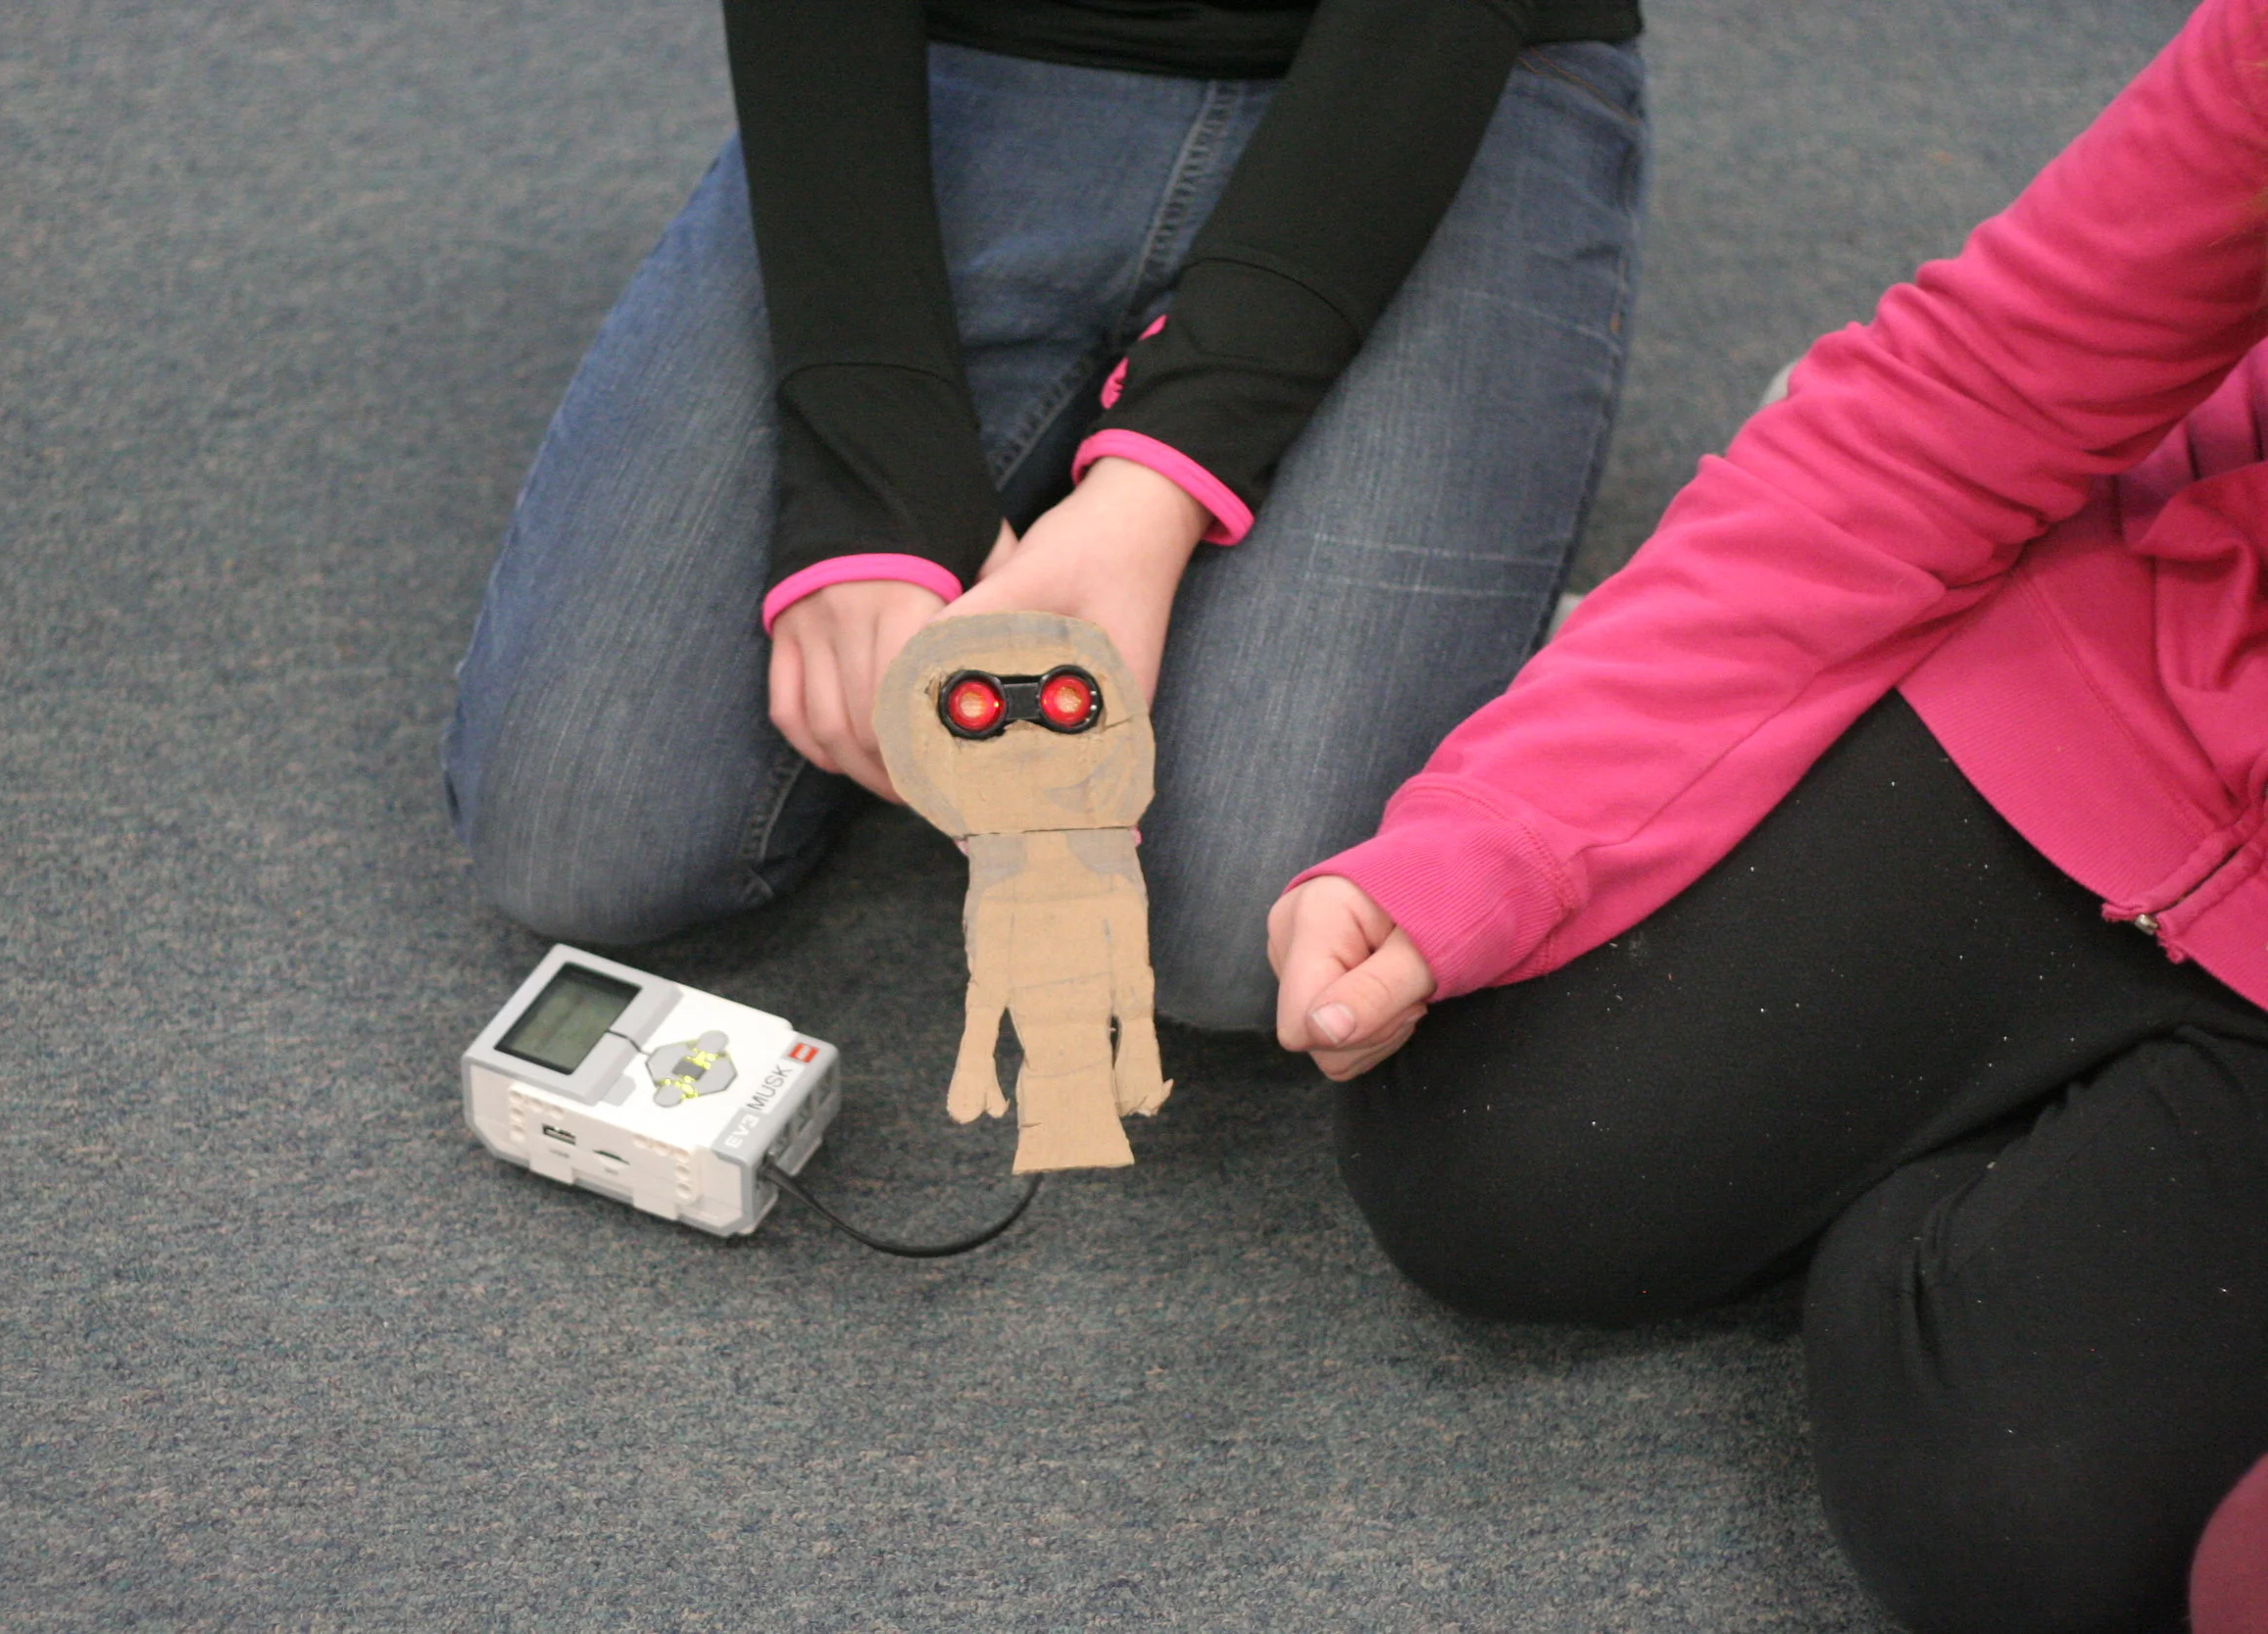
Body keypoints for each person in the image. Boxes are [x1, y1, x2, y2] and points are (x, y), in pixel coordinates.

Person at [1264, 1, 2268, 1627]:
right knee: (1481, 1142)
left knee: (2033, 1533)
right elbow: (1966, 394)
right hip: (2156, 658)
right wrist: (1508, 813)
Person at [439, 0, 1647, 1030]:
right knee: (575, 840)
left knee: (1248, 935)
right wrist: (874, 469)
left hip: (1439, 65)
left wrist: (1167, 476)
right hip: (972, 39)